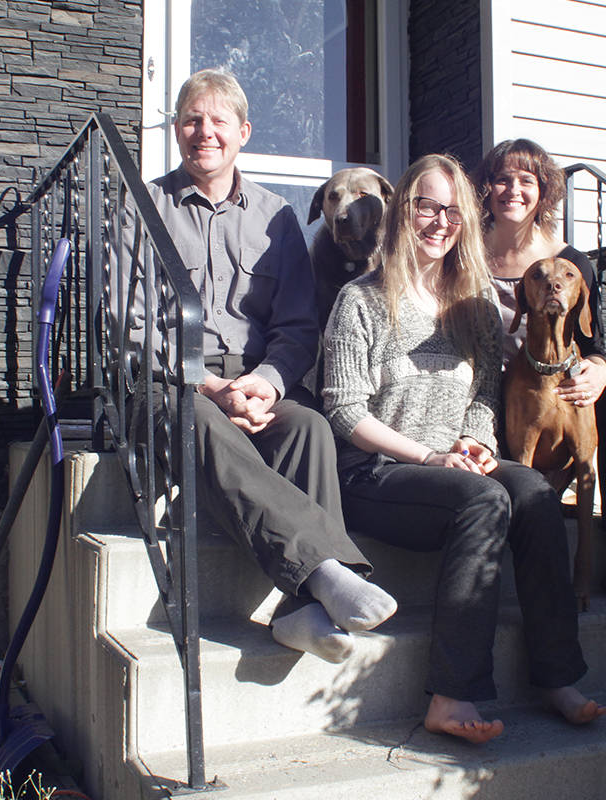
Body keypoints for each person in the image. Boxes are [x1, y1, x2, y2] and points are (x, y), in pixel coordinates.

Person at [322, 153, 605, 743]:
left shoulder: (472, 304)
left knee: (530, 491)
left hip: (456, 462)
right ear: (403, 211)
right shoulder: (361, 299)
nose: (439, 221)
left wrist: (475, 440)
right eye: (426, 205)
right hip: (379, 473)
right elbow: (344, 410)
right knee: (485, 501)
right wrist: (427, 456)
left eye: (452, 210)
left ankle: (557, 674)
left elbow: (484, 389)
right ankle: (451, 694)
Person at [141, 68, 396, 663]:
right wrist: (209, 385)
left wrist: (265, 381)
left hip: (254, 381)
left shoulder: (276, 216)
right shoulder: (144, 206)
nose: (205, 132)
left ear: (243, 132)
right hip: (170, 383)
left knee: (309, 427)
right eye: (192, 120)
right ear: (177, 130)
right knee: (196, 422)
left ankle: (295, 611)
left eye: (218, 121)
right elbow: (131, 329)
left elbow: (297, 326)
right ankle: (325, 576)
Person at [472, 138, 606, 606]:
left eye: (526, 181)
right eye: (502, 179)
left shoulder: (570, 262)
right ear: (487, 189)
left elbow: (594, 341)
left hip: (552, 382)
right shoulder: (466, 250)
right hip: (483, 385)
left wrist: (597, 369)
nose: (513, 190)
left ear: (543, 191)